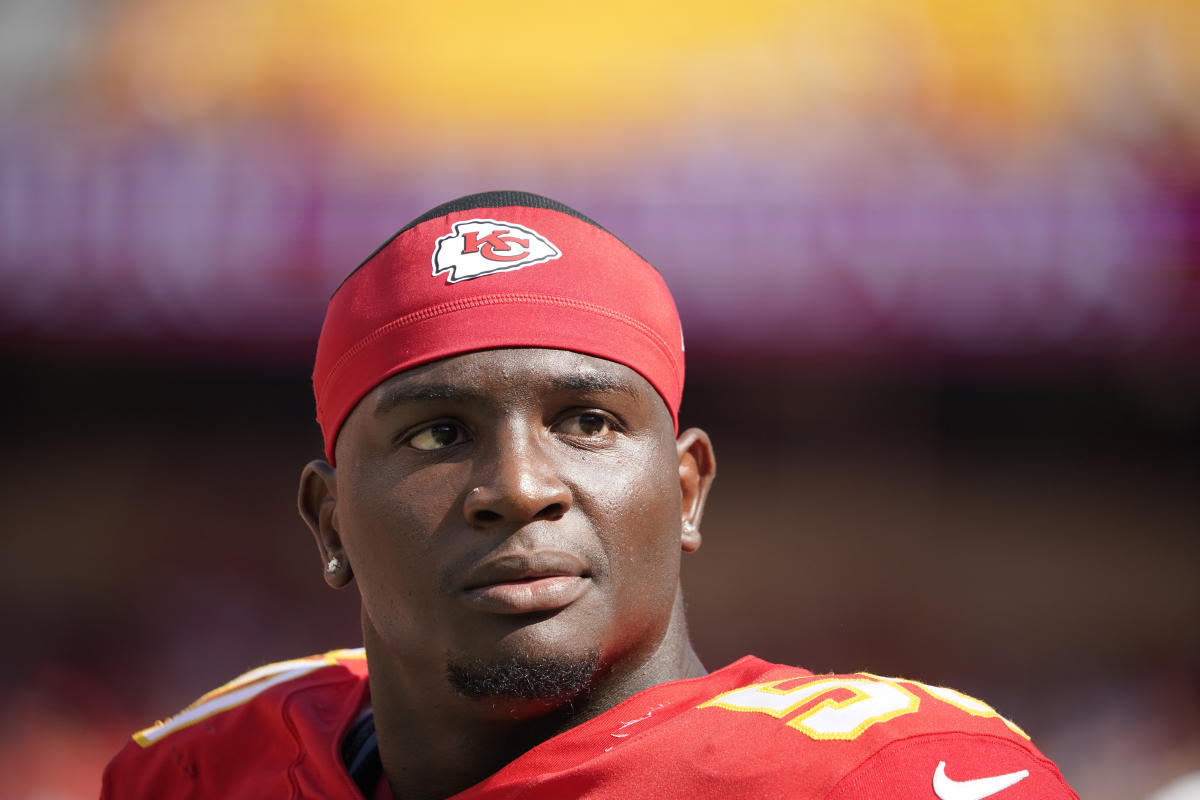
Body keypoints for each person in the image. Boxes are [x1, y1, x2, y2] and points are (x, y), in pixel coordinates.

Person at [101, 191, 1079, 799]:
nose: (519, 488)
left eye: (588, 421)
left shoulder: (879, 779)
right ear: (330, 520)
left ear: (688, 488)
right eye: (437, 432)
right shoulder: (200, 767)